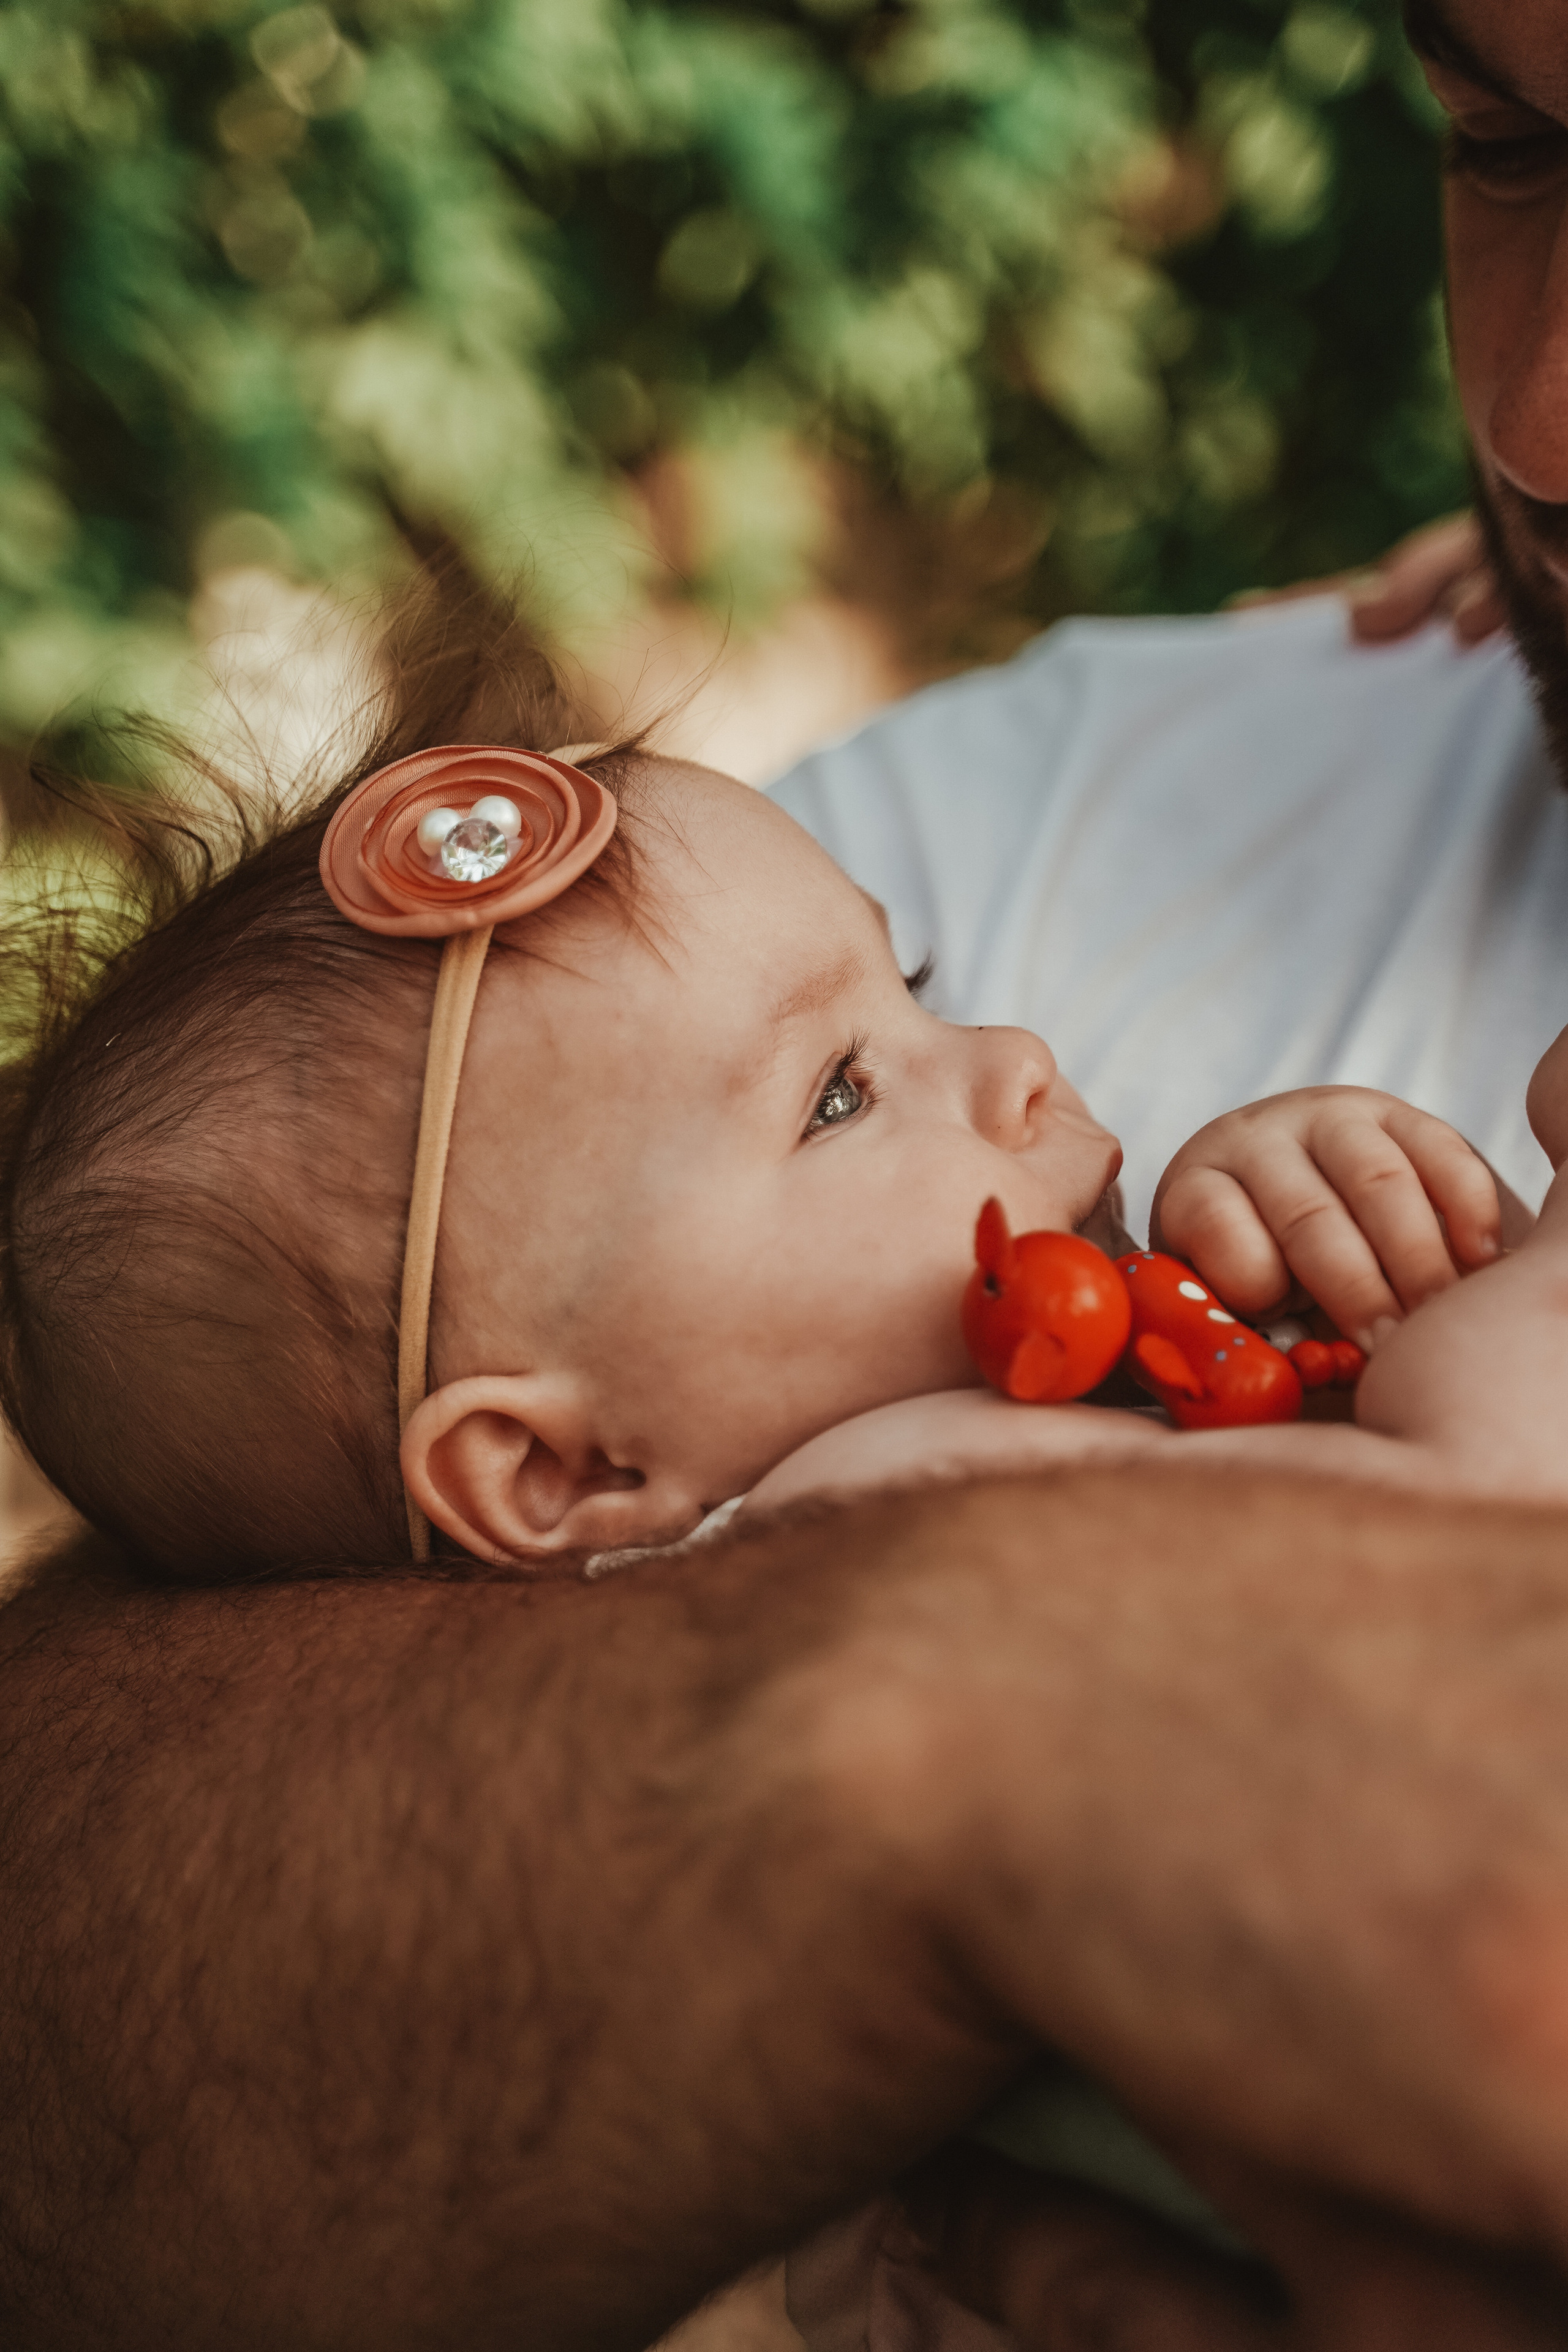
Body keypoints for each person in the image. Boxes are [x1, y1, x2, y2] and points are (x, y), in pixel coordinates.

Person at [7, 0, 1568, 2337]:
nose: (1023, 1057)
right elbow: (1471, 1552)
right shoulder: (858, 1493)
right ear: (545, 1474)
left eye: (910, 1000)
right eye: (1505, 141)